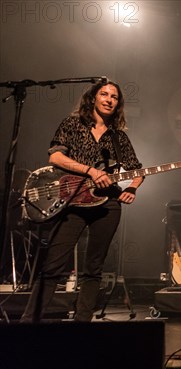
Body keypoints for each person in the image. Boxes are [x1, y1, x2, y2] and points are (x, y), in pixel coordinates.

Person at [21, 80, 144, 322]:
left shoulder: (118, 137)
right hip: (72, 201)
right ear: (93, 98)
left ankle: (82, 324)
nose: (109, 99)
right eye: (104, 94)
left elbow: (137, 170)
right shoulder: (73, 124)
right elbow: (55, 157)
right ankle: (29, 323)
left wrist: (132, 188)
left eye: (114, 97)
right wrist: (90, 171)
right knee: (53, 265)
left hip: (107, 205)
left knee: (94, 268)